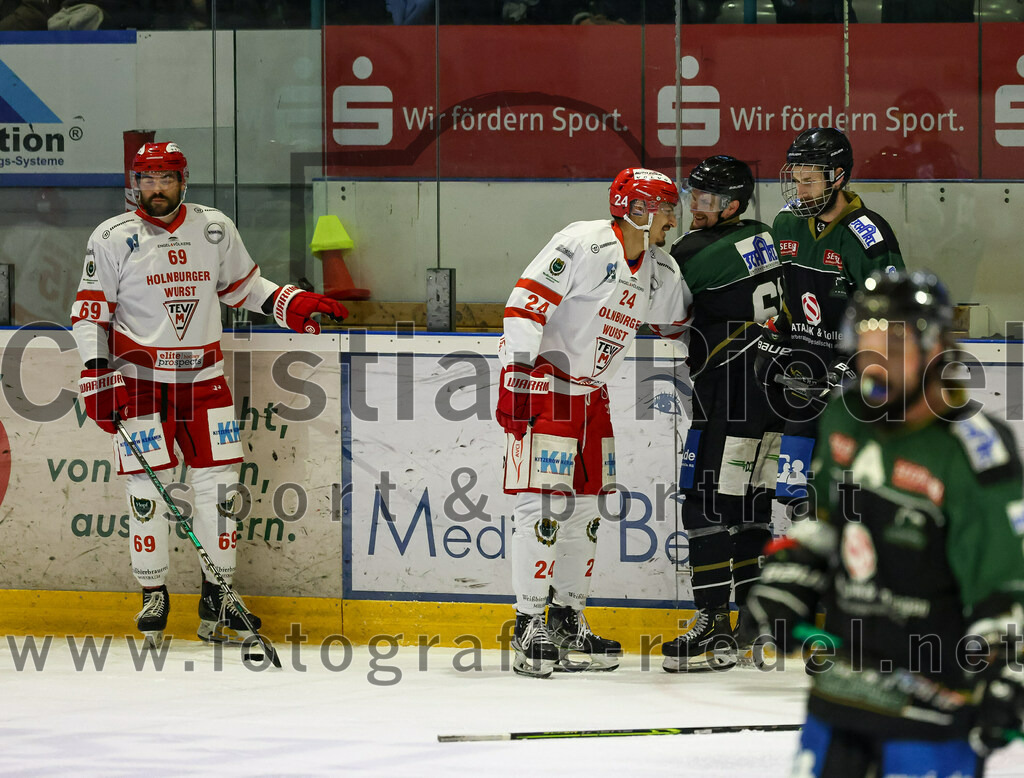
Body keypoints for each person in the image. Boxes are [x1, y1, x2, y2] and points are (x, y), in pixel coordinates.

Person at [71, 142, 348, 648]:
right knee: (146, 493)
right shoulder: (111, 237)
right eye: (148, 179)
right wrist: (95, 373)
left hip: (205, 383)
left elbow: (243, 287)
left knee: (219, 494)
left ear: (184, 180)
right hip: (140, 384)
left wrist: (289, 302)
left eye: (166, 178)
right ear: (135, 182)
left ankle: (217, 595)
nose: (157, 188)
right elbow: (91, 311)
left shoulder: (214, 227)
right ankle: (153, 593)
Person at [748, 270, 1024, 776]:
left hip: (930, 714)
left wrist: (1007, 668)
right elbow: (827, 521)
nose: (876, 367)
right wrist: (792, 572)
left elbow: (1006, 587)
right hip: (840, 694)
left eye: (894, 349)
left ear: (935, 349)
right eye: (867, 347)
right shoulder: (844, 417)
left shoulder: (974, 452)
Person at [496, 167, 692, 677]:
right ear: (637, 209)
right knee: (542, 508)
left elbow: (681, 322)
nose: (673, 219)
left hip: (592, 398)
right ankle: (527, 624)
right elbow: (524, 306)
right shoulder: (583, 243)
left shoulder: (659, 267)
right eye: (665, 209)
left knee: (586, 511)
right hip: (548, 389)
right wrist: (516, 376)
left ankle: (566, 620)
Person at [653, 155, 783, 672]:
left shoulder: (693, 250)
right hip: (771, 395)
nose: (695, 206)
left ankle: (712, 625)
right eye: (693, 195)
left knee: (703, 503)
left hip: (727, 393)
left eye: (705, 199)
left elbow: (662, 318)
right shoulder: (764, 234)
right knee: (751, 506)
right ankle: (752, 626)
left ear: (731, 205)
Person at [760, 127, 905, 515]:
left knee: (847, 503)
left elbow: (894, 317)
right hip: (804, 381)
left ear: (838, 177)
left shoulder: (867, 236)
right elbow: (789, 299)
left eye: (809, 181)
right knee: (795, 498)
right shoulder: (786, 223)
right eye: (796, 180)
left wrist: (857, 362)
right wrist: (777, 333)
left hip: (854, 393)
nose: (800, 190)